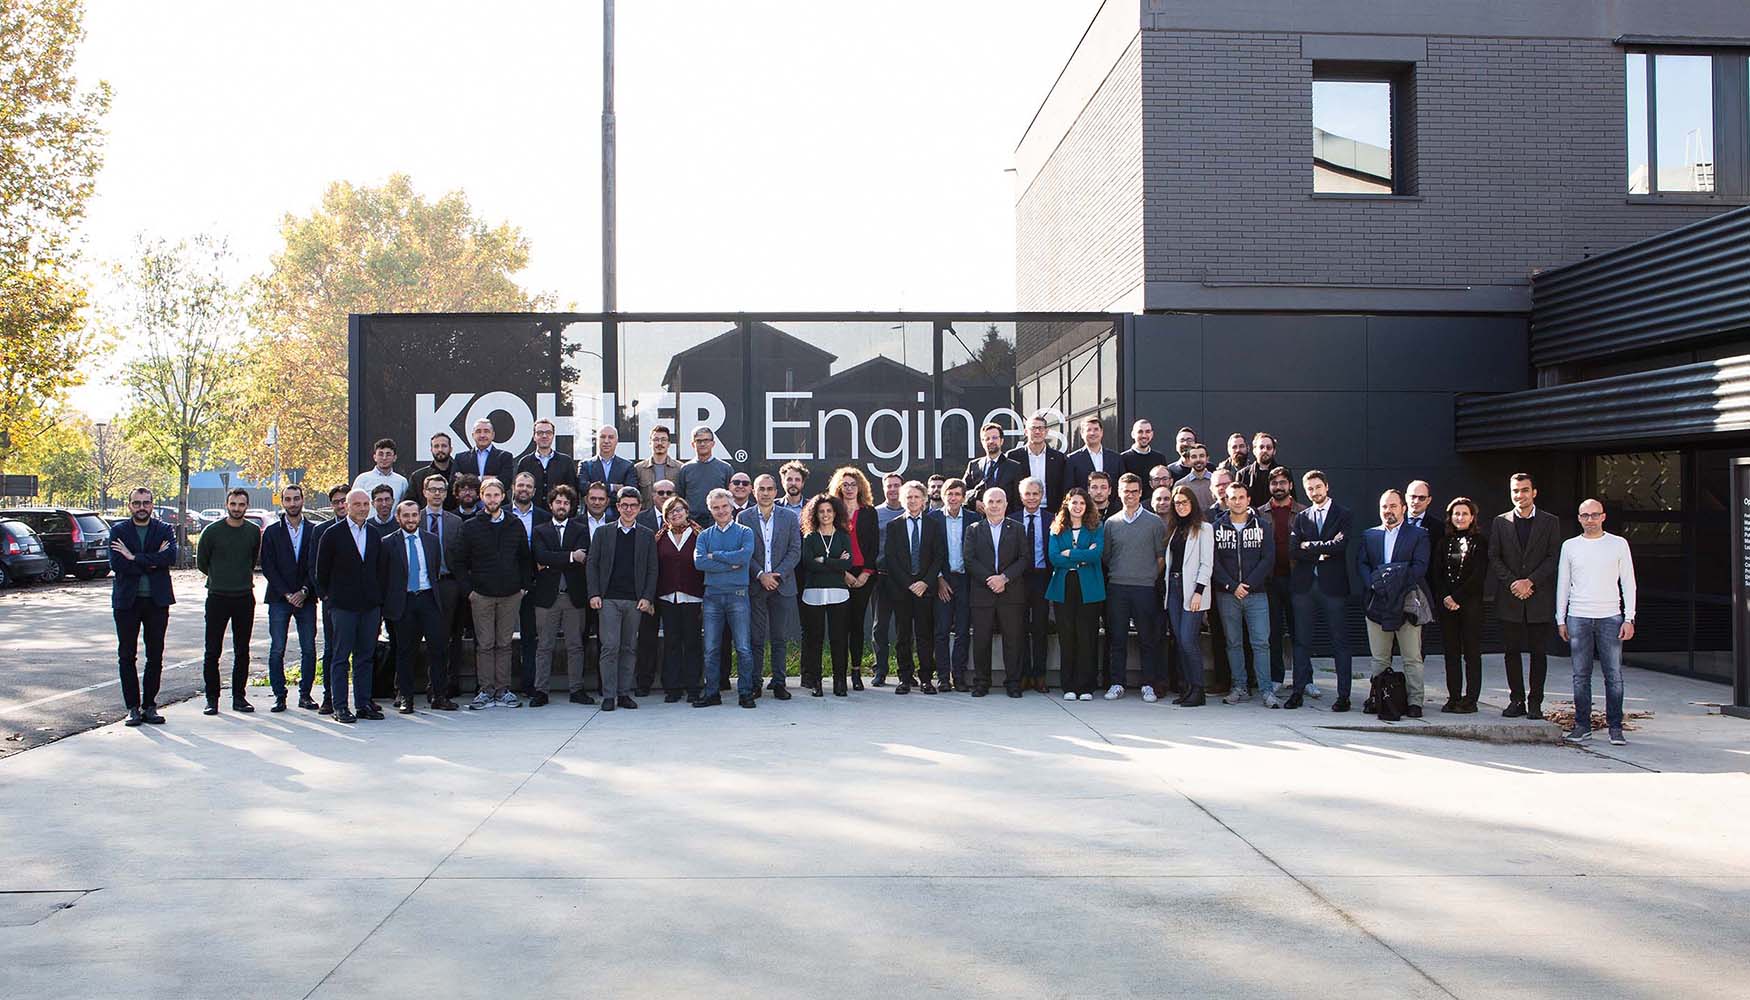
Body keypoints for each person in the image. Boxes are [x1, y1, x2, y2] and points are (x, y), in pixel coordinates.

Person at [1556, 499, 1637, 745]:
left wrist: (1629, 617)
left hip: (1610, 617)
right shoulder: (1570, 546)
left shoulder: (1618, 544)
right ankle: (1583, 725)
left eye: (1594, 515)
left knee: (1613, 675)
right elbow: (1563, 583)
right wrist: (1561, 618)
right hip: (1578, 616)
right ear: (1579, 518)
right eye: (1585, 515)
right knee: (1581, 675)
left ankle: (1615, 727)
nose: (1590, 519)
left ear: (1603, 517)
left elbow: (1628, 582)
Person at [453, 477, 532, 710]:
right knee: (485, 644)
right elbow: (458, 561)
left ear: (503, 497)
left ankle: (503, 690)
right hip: (482, 595)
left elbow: (525, 558)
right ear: (481, 496)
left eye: (496, 495)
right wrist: (469, 591)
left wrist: (523, 586)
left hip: (510, 594)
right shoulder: (471, 526)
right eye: (488, 495)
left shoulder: (515, 524)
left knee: (504, 644)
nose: (492, 499)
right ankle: (486, 691)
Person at [1488, 473, 1560, 719]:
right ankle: (1516, 700)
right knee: (1511, 652)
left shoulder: (1550, 522)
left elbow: (1553, 557)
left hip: (1538, 596)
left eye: (1524, 490)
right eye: (1515, 491)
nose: (1520, 495)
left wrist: (1530, 581)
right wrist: (1514, 583)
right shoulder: (1500, 522)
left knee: (1539, 653)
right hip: (1510, 598)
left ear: (1534, 492)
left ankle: (1535, 702)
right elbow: (1494, 557)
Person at [315, 489, 388, 723]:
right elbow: (321, 571)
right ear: (346, 506)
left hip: (369, 607)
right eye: (357, 504)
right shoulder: (332, 534)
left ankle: (363, 704)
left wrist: (378, 600)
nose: (363, 508)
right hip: (342, 607)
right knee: (340, 657)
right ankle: (340, 707)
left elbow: (380, 569)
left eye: (366, 504)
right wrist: (329, 598)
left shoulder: (374, 534)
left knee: (365, 657)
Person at [1356, 489, 1431, 717]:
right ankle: (1379, 698)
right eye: (1384, 507)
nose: (1388, 511)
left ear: (1403, 508)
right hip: (1377, 603)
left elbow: (1419, 567)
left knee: (1412, 657)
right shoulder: (1370, 535)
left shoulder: (1419, 535)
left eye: (1393, 506)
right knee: (1379, 657)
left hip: (1407, 601)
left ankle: (1415, 701)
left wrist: (1394, 584)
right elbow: (1362, 564)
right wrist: (1376, 584)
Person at [1289, 470, 1355, 711]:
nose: (1314, 492)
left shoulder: (1343, 514)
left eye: (1318, 487)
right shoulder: (1302, 517)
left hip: (1333, 587)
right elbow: (1295, 550)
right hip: (1304, 586)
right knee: (1301, 642)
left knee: (1340, 642)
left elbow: (1341, 546)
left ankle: (1343, 696)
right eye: (1310, 489)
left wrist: (1312, 546)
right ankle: (1297, 692)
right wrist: (1323, 549)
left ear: (1326, 486)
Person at [588, 486, 658, 711]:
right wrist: (594, 593)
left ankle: (624, 693)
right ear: (617, 507)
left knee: (629, 648)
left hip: (634, 601)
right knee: (610, 647)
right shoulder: (603, 532)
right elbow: (592, 565)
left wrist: (647, 597)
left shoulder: (647, 535)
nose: (629, 509)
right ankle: (609, 696)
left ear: (640, 508)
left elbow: (652, 569)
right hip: (608, 599)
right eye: (624, 505)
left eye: (633, 506)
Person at [110, 486, 175, 726]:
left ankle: (150, 705)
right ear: (130, 505)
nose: (141, 507)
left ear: (152, 505)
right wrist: (150, 561)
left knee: (155, 655)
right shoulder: (118, 531)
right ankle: (132, 708)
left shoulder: (164, 529)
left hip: (157, 601)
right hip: (127, 602)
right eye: (137, 503)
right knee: (127, 655)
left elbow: (169, 558)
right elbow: (117, 564)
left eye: (146, 503)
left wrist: (134, 556)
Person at [1211, 480, 1276, 707]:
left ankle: (1266, 690)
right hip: (1227, 595)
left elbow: (1268, 559)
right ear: (1226, 501)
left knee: (1261, 643)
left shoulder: (1263, 526)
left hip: (1256, 594)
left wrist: (1247, 584)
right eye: (1232, 498)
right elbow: (1214, 563)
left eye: (1241, 497)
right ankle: (1239, 687)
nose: (1237, 501)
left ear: (1248, 500)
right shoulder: (1216, 527)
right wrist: (1231, 586)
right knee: (1233, 642)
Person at [1101, 473, 1166, 701]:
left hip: (1145, 589)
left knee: (1148, 639)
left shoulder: (1154, 522)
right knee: (1117, 638)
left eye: (1134, 491)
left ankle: (1148, 684)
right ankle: (1117, 682)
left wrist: (1147, 576)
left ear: (1141, 493)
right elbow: (1107, 556)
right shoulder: (1111, 523)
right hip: (1118, 587)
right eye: (1125, 491)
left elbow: (1161, 558)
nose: (1129, 495)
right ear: (1118, 493)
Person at [383, 500, 451, 713]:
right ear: (398, 518)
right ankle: (406, 697)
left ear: (419, 517)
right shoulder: (387, 543)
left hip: (429, 599)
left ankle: (439, 696)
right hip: (404, 601)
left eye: (414, 515)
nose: (411, 519)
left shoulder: (431, 540)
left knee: (438, 650)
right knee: (405, 652)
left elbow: (434, 569)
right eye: (406, 516)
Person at [197, 488, 261, 715]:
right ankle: (212, 699)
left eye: (241, 504)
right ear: (227, 505)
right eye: (233, 504)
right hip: (217, 597)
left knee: (242, 650)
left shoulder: (253, 532)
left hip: (244, 597)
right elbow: (202, 563)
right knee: (212, 650)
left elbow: (253, 559)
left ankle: (239, 697)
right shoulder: (212, 532)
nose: (237, 508)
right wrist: (220, 577)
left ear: (247, 506)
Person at [881, 480, 946, 694]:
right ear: (902, 500)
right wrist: (909, 584)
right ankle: (905, 678)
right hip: (902, 590)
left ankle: (926, 678)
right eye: (908, 497)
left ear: (924, 500)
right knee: (903, 636)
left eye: (917, 497)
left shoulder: (934, 525)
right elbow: (890, 558)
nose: (913, 500)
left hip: (925, 590)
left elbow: (938, 557)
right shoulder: (894, 525)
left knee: (924, 636)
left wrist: (925, 582)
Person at [740, 474, 801, 700]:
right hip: (756, 585)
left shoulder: (789, 517)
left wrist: (777, 575)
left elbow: (795, 550)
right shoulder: (743, 517)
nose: (765, 493)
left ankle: (778, 682)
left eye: (769, 489)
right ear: (754, 492)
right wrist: (760, 575)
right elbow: (743, 552)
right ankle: (755, 682)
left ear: (776, 492)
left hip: (783, 586)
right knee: (755, 638)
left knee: (779, 638)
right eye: (761, 489)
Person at [694, 488, 755, 708]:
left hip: (738, 595)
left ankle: (746, 693)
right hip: (712, 596)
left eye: (724, 507)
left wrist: (716, 556)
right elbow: (700, 563)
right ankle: (712, 694)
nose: (721, 511)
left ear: (732, 507)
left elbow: (744, 556)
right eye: (716, 508)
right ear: (710, 510)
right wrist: (731, 563)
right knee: (711, 648)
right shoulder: (704, 535)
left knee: (743, 647)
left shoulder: (745, 532)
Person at [532, 485, 592, 707]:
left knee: (575, 646)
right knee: (544, 646)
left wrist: (551, 561)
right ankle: (541, 690)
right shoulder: (540, 530)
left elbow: (583, 556)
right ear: (550, 505)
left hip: (573, 596)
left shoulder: (580, 529)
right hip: (547, 597)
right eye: (558, 502)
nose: (562, 506)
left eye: (566, 503)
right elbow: (540, 555)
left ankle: (576, 689)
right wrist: (568, 557)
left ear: (571, 506)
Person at [966, 487, 1028, 697]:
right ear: (984, 505)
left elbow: (1024, 558)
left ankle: (1013, 683)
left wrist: (1004, 578)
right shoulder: (974, 529)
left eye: (998, 501)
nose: (994, 505)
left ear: (1006, 504)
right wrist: (990, 580)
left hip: (1011, 593)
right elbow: (969, 559)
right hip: (982, 594)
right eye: (990, 502)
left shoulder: (1018, 528)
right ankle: (982, 682)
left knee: (1013, 640)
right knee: (981, 640)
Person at [262, 483, 318, 712]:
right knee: (277, 648)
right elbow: (268, 566)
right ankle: (279, 695)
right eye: (288, 499)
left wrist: (304, 591)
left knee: (309, 649)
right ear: (282, 502)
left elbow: (315, 564)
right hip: (279, 598)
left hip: (306, 598)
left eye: (296, 498)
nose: (292, 503)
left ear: (303, 500)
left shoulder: (315, 530)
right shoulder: (272, 532)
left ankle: (305, 695)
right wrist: (287, 594)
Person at [1048, 487, 1104, 701]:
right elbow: (1054, 557)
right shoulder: (1057, 528)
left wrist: (1071, 553)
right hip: (1064, 586)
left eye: (1082, 503)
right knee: (1067, 636)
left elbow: (1096, 555)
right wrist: (1083, 556)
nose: (1078, 506)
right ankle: (1069, 685)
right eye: (1074, 503)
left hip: (1089, 587)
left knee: (1087, 636)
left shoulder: (1096, 527)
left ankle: (1086, 686)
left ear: (1087, 505)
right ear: (1067, 505)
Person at [1433, 496, 1487, 715]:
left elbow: (1479, 574)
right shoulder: (1443, 542)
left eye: (1465, 513)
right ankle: (1454, 696)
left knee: (1472, 653)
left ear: (1472, 517)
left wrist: (1458, 597)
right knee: (1451, 653)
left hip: (1471, 605)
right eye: (1456, 513)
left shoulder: (1481, 541)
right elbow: (1436, 572)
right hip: (1447, 607)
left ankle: (1471, 699)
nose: (1460, 517)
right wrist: (1446, 597)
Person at [799, 492, 855, 696]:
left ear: (835, 512)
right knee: (815, 640)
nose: (825, 514)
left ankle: (840, 682)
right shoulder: (810, 536)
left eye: (829, 510)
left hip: (838, 593)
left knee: (839, 639)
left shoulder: (842, 536)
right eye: (821, 511)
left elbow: (848, 563)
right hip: (813, 593)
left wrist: (825, 560)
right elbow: (808, 564)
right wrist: (836, 563)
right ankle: (816, 682)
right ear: (815, 514)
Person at [417, 475, 466, 705]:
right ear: (424, 492)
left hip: (447, 584)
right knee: (417, 638)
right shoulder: (413, 517)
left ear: (447, 494)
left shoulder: (455, 522)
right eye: (432, 489)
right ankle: (408, 689)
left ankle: (442, 687)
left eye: (441, 490)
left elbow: (461, 557)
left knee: (445, 638)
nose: (437, 494)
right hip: (421, 585)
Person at [830, 466, 880, 691]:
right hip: (838, 573)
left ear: (860, 487)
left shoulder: (869, 511)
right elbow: (827, 546)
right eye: (845, 485)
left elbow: (874, 545)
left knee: (857, 625)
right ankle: (838, 675)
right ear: (839, 487)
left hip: (863, 575)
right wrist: (843, 573)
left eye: (853, 484)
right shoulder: (832, 511)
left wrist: (865, 574)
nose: (849, 489)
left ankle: (857, 673)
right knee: (839, 626)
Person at [1163, 486, 1213, 706]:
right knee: (1179, 640)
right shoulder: (1174, 529)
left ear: (1192, 503)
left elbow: (1206, 564)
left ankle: (1198, 689)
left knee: (1188, 640)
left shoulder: (1204, 528)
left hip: (1193, 590)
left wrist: (1198, 593)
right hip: (1173, 587)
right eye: (1177, 503)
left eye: (1185, 502)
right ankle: (1187, 688)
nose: (1181, 506)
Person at [1259, 467, 1304, 700]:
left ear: (1290, 485)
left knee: (1300, 632)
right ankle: (1277, 677)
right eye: (1274, 483)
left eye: (1282, 482)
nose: (1278, 487)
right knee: (1273, 632)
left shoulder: (1303, 513)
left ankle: (1305, 680)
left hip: (1297, 581)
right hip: (1270, 581)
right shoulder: (1260, 513)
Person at [655, 496, 706, 702]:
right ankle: (673, 688)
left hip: (693, 597)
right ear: (666, 517)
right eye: (670, 512)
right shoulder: (659, 538)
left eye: (679, 510)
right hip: (667, 597)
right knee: (672, 643)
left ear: (686, 512)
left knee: (692, 643)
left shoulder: (699, 535)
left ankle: (693, 687)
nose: (675, 514)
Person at [507, 471, 552, 695]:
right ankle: (500, 686)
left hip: (535, 582)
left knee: (530, 636)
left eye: (528, 486)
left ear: (534, 491)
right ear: (513, 487)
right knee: (501, 638)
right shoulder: (502, 513)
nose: (524, 489)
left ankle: (529, 684)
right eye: (520, 485)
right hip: (505, 583)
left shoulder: (544, 517)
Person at [309, 484, 352, 713]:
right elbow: (315, 566)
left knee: (363, 651)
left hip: (360, 602)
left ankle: (363, 698)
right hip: (333, 602)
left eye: (344, 500)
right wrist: (324, 594)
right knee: (332, 650)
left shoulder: (364, 527)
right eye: (336, 502)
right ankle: (329, 697)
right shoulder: (322, 531)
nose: (341, 505)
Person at [929, 478, 975, 692]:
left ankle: (959, 675)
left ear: (963, 497)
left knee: (963, 631)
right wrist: (938, 579)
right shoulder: (933, 519)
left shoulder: (974, 519)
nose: (953, 498)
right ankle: (943, 677)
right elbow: (928, 554)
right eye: (950, 493)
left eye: (957, 494)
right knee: (941, 630)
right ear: (943, 496)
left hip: (966, 580)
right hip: (943, 580)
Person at [1014, 477, 1053, 692]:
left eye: (1035, 494)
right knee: (1018, 629)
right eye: (1027, 494)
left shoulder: (1052, 519)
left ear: (1042, 495)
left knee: (1040, 629)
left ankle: (1039, 675)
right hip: (1017, 580)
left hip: (1042, 578)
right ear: (1021, 497)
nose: (1031, 498)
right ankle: (1023, 675)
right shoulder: (1012, 519)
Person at [869, 472, 906, 686]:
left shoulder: (912, 510)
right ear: (883, 489)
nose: (893, 489)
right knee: (879, 627)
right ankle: (880, 670)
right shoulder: (875, 514)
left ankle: (905, 672)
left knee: (904, 628)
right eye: (889, 486)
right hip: (882, 577)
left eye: (896, 485)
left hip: (906, 579)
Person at [1006, 410, 1068, 513]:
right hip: (1021, 512)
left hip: (1052, 513)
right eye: (1033, 428)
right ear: (1026, 432)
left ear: (1047, 431)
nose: (1037, 432)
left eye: (1041, 428)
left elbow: (1063, 487)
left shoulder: (1059, 458)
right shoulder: (1013, 456)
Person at [675, 425, 733, 526]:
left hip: (719, 522)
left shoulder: (725, 468)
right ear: (693, 444)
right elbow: (680, 497)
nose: (702, 444)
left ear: (713, 443)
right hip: (692, 523)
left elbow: (731, 497)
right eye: (698, 441)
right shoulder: (685, 469)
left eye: (706, 440)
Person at [517, 417, 579, 506]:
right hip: (532, 516)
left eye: (548, 433)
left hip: (558, 517)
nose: (544, 436)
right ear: (534, 436)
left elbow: (573, 493)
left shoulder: (566, 462)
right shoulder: (525, 462)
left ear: (553, 436)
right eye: (540, 433)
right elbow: (518, 492)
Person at [963, 421, 1022, 509]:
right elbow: (963, 491)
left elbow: (1018, 500)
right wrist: (974, 502)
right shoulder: (973, 465)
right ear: (982, 442)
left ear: (1001, 441)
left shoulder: (1014, 467)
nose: (991, 441)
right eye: (987, 438)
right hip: (979, 519)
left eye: (994, 438)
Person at [1405, 480, 1445, 596]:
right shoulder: (1395, 523)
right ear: (1406, 497)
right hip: (1398, 587)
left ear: (1429, 500)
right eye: (1413, 496)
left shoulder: (1439, 527)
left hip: (1427, 588)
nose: (1416, 501)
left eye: (1421, 498)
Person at [1066, 414, 1122, 492]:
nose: (1092, 433)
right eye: (1089, 430)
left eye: (1096, 429)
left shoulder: (1116, 458)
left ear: (1101, 432)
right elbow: (1070, 489)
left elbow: (1121, 487)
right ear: (1082, 434)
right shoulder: (1072, 459)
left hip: (1111, 504)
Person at [634, 424, 685, 502]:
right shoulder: (638, 469)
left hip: (672, 513)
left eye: (663, 440)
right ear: (650, 443)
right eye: (656, 439)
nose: (660, 443)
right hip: (647, 513)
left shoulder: (680, 468)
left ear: (669, 444)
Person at [411, 431, 460, 512]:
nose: (440, 449)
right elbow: (411, 503)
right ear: (431, 450)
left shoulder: (460, 475)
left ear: (451, 449)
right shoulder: (417, 477)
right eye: (436, 446)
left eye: (444, 446)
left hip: (454, 522)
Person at [353, 437, 410, 505]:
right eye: (380, 454)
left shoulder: (402, 482)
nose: (384, 458)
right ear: (375, 457)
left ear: (394, 458)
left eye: (388, 454)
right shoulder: (362, 479)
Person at [579, 424, 635, 491]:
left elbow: (630, 491)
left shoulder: (627, 466)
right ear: (597, 440)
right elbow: (582, 488)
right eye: (602, 437)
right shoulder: (585, 465)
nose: (606, 441)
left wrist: (595, 488)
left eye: (611, 437)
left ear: (617, 441)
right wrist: (612, 487)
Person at [458, 417, 515, 482]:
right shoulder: (460, 458)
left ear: (493, 435)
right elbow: (455, 482)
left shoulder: (505, 457)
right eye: (478, 431)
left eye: (486, 431)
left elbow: (505, 481)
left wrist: (469, 479)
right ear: (473, 435)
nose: (482, 435)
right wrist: (493, 478)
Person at [1237, 433, 1288, 502]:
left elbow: (1292, 501)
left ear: (1274, 451)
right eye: (1261, 447)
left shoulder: (1285, 473)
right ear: (1254, 451)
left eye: (1269, 447)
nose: (1265, 450)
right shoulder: (1242, 474)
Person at [1174, 444, 1214, 509]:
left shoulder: (1217, 482)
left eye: (1201, 456)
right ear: (1188, 460)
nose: (1198, 459)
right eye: (1194, 457)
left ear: (1207, 459)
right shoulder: (1181, 484)